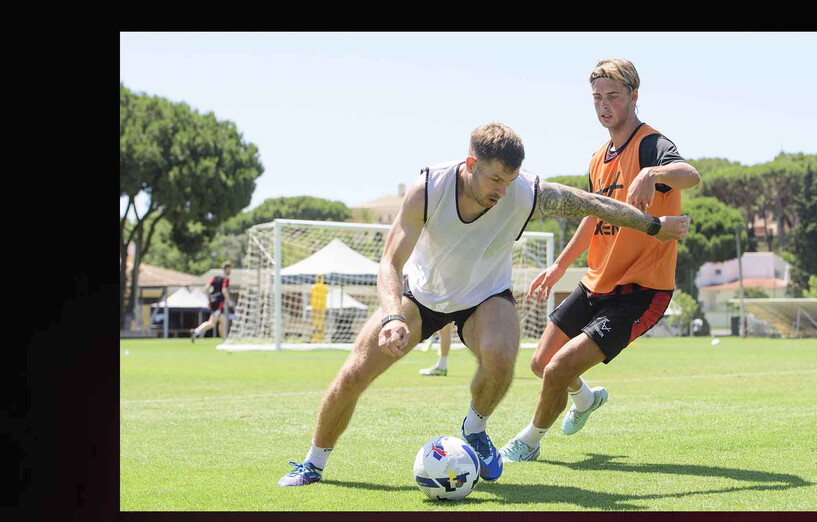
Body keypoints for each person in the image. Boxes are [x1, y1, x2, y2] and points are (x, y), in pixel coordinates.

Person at [277, 122, 690, 487]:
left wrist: (654, 226)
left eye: (509, 180)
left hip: (485, 296)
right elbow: (390, 261)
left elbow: (592, 204)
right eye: (495, 179)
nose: (502, 190)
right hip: (421, 296)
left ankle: (475, 429)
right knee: (353, 375)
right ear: (471, 163)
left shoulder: (525, 193)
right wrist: (390, 317)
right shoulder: (429, 189)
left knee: (501, 354)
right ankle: (314, 463)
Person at [500, 59, 701, 462]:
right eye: (597, 98)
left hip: (640, 292)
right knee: (541, 365)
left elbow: (690, 174)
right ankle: (587, 400)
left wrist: (649, 175)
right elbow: (593, 217)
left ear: (633, 96)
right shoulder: (597, 158)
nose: (604, 105)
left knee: (558, 371)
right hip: (595, 282)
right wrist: (559, 266)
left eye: (613, 96)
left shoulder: (651, 144)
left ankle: (528, 442)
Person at [190, 262, 232, 342]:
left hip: (213, 301)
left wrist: (210, 298)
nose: (231, 271)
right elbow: (224, 290)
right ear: (226, 269)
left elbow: (206, 288)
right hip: (219, 302)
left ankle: (225, 341)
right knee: (212, 323)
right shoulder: (225, 279)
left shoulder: (215, 277)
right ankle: (195, 331)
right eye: (230, 269)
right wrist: (229, 301)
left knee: (222, 321)